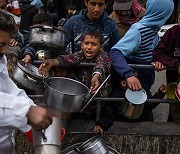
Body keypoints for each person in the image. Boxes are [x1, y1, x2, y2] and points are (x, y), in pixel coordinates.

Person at [0, 10, 52, 154]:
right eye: (0, 45)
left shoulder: (0, 57)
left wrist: (33, 110)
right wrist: (25, 111)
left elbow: (10, 90)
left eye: (6, 44)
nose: (5, 51)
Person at [38, 29, 111, 118]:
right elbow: (67, 59)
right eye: (87, 43)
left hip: (99, 103)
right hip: (82, 101)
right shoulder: (80, 55)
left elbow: (102, 64)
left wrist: (96, 76)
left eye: (94, 44)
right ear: (82, 45)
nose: (89, 47)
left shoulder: (104, 56)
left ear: (101, 47)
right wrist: (51, 62)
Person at [152, 11, 180, 123]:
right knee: (175, 115)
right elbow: (158, 52)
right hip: (174, 83)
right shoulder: (173, 32)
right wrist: (176, 64)